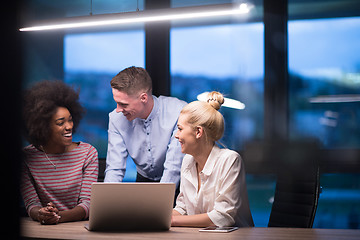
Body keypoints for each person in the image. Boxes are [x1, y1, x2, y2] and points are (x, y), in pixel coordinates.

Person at [21, 80, 98, 225]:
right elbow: (31, 204)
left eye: (70, 120)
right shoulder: (27, 157)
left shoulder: (88, 153)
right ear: (43, 126)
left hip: (79, 229)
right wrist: (41, 214)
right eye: (60, 123)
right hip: (42, 229)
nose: (69, 126)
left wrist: (58, 217)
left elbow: (87, 204)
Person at [172, 91, 254, 228]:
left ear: (198, 132)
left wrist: (172, 221)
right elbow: (183, 208)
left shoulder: (230, 160)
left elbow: (222, 217)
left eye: (180, 129)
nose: (176, 135)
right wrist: (157, 218)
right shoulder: (188, 160)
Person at [104, 66, 186, 188]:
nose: (118, 109)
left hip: (179, 182)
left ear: (143, 98)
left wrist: (160, 202)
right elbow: (114, 168)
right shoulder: (116, 118)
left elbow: (173, 168)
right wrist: (106, 200)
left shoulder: (178, 111)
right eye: (116, 102)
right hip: (143, 180)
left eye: (123, 104)